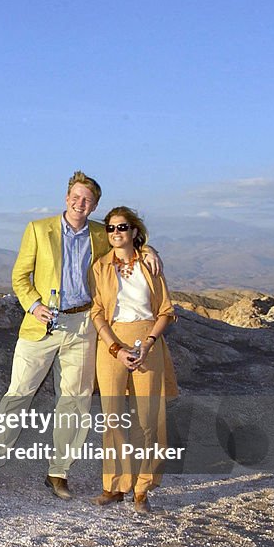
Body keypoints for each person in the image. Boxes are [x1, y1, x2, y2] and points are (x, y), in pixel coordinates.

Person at [0, 171, 161, 497]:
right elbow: (20, 276)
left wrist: (147, 251)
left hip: (83, 326)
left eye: (87, 199)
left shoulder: (102, 233)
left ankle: (58, 472)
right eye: (75, 196)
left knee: (75, 401)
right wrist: (33, 305)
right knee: (19, 393)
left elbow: (127, 242)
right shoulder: (38, 230)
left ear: (95, 205)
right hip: (41, 324)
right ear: (66, 197)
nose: (79, 203)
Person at [89, 206, 178, 513]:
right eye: (111, 228)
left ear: (135, 231)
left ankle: (142, 488)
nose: (116, 233)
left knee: (149, 419)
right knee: (112, 417)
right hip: (111, 342)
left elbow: (166, 310)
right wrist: (115, 348)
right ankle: (114, 486)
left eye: (122, 227)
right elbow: (97, 311)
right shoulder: (101, 266)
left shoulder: (150, 266)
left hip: (147, 341)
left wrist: (149, 342)